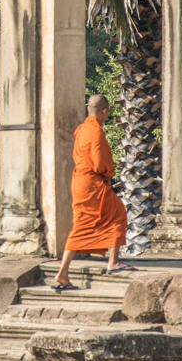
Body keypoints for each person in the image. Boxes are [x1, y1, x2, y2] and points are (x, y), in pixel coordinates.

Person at [53, 94, 135, 290]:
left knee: (80, 225)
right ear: (104, 111)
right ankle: (113, 262)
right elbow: (99, 163)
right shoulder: (95, 132)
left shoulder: (82, 130)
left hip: (80, 182)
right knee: (118, 214)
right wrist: (110, 171)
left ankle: (63, 272)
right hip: (92, 183)